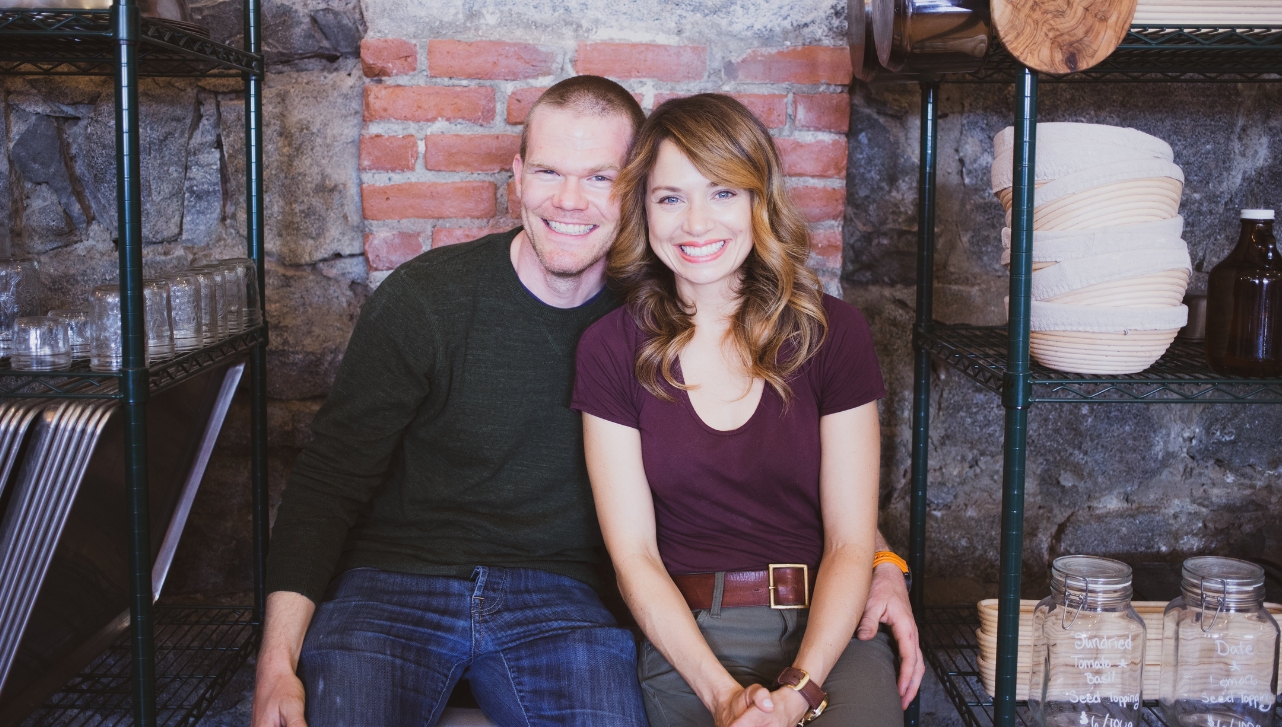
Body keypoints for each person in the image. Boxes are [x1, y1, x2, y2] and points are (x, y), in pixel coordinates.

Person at [252, 77, 919, 727]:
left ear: (630, 191)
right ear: (515, 176)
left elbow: (798, 478)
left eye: (599, 177)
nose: (569, 201)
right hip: (399, 583)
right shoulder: (438, 302)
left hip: (557, 599)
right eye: (547, 172)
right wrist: (277, 661)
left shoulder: (664, 310)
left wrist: (880, 564)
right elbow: (326, 482)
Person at [573, 93, 905, 727]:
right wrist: (725, 698)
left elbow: (849, 542)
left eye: (723, 192)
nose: (696, 223)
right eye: (670, 197)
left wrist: (800, 690)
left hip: (828, 630)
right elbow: (635, 557)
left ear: (760, 200)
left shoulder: (833, 333)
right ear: (644, 211)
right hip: (687, 638)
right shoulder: (611, 348)